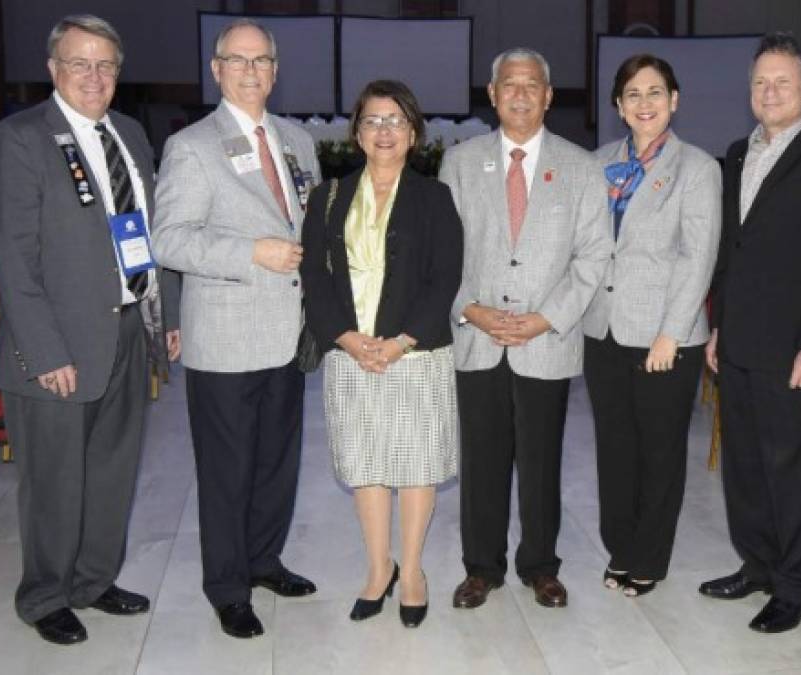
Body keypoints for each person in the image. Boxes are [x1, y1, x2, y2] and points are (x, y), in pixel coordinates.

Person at [0, 14, 180, 645]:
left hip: (127, 332)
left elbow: (148, 233)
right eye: (79, 63)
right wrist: (43, 350)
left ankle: (94, 580)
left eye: (106, 65)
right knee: (54, 480)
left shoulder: (128, 133)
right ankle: (44, 595)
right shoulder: (20, 139)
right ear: (52, 69)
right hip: (58, 347)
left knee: (112, 469)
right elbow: (12, 256)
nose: (94, 76)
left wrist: (164, 315)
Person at [151, 18, 320, 639]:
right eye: (238, 60)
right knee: (227, 469)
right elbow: (170, 239)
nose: (252, 71)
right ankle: (227, 585)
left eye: (262, 61)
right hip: (225, 335)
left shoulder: (298, 141)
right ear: (217, 69)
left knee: (278, 460)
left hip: (288, 332)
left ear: (275, 71)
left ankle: (264, 559)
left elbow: (310, 225)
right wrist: (252, 253)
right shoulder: (192, 145)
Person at [700, 32, 801, 633]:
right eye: (760, 83)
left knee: (793, 471)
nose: (770, 92)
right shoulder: (739, 152)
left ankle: (796, 587)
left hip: (797, 347)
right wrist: (717, 327)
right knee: (745, 465)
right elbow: (731, 251)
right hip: (739, 341)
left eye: (782, 82)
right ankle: (758, 565)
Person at [439, 47, 611, 610]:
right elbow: (441, 258)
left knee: (541, 462)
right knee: (482, 461)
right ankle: (480, 568)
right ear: (491, 95)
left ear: (548, 95)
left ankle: (540, 565)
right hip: (479, 337)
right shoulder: (460, 163)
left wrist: (546, 318)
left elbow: (593, 256)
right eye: (508, 84)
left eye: (531, 84)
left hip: (547, 342)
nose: (519, 93)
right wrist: (471, 309)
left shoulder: (581, 167)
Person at [300, 80, 463, 629]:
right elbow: (313, 278)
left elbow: (445, 278)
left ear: (413, 132)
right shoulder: (327, 196)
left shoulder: (435, 197)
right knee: (366, 464)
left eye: (395, 120)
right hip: (351, 353)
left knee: (416, 465)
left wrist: (400, 341)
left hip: (413, 353)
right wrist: (343, 337)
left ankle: (413, 571)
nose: (384, 130)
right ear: (356, 133)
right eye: (373, 120)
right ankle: (379, 568)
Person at [584, 54, 721, 597]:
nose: (645, 103)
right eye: (633, 94)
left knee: (659, 452)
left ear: (675, 100)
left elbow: (698, 255)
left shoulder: (697, 168)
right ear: (618, 106)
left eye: (655, 92)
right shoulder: (596, 163)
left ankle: (649, 557)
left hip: (667, 337)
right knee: (614, 449)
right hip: (605, 331)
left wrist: (671, 331)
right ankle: (620, 545)